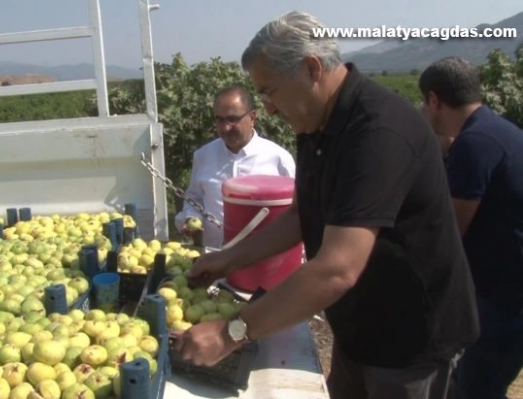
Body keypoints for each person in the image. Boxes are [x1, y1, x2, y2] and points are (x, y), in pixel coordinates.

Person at [173, 10, 480, 399]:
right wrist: (230, 258)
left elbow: (337, 268)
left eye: (269, 91)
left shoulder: (378, 132)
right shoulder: (315, 122)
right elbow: (303, 215)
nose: (266, 107)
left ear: (312, 69)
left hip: (411, 340)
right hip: (360, 326)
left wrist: (232, 331)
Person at [419, 56, 523, 399]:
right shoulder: (497, 131)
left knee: (475, 388)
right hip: (509, 291)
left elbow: (448, 233)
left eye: (424, 102)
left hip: (504, 298)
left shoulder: (474, 144)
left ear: (434, 100)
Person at [174, 85, 296, 248]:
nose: (225, 128)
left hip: (264, 260)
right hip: (215, 258)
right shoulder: (203, 156)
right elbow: (195, 198)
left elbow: (296, 212)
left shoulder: (278, 159)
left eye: (233, 119)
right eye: (219, 120)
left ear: (252, 117)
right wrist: (190, 217)